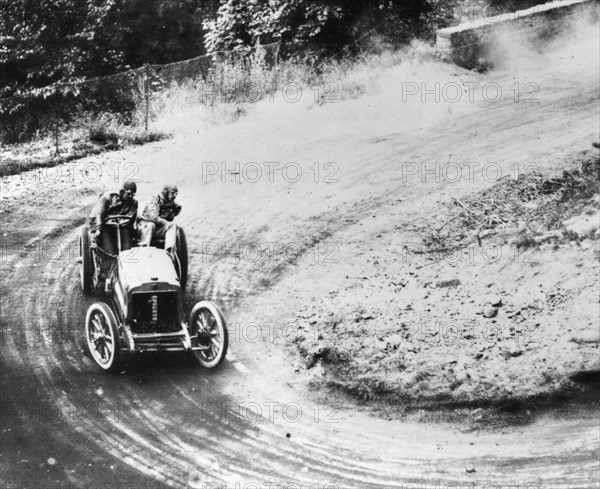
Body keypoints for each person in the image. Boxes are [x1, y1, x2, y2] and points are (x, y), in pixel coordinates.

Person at [88, 181, 139, 264]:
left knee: (127, 250)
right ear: (123, 191)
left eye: (132, 195)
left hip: (121, 226)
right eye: (128, 194)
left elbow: (131, 219)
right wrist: (98, 228)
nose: (130, 197)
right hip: (104, 226)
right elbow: (99, 214)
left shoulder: (133, 202)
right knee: (109, 252)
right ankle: (107, 268)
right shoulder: (108, 197)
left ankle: (126, 266)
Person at [138, 184, 182, 250]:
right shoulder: (155, 199)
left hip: (158, 228)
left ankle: (169, 250)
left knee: (173, 226)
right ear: (166, 191)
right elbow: (153, 218)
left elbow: (178, 207)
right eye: (172, 193)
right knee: (151, 225)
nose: (174, 196)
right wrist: (166, 222)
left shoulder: (170, 201)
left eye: (176, 194)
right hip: (145, 227)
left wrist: (172, 214)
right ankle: (144, 249)